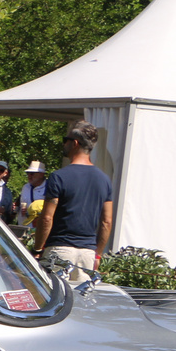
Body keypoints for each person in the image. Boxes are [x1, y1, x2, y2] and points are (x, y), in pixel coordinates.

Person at [36, 119, 114, 281]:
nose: (64, 144)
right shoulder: (104, 180)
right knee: (81, 302)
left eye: (66, 140)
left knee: (53, 301)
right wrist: (97, 255)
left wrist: (37, 249)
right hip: (87, 253)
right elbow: (106, 221)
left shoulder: (59, 177)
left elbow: (47, 218)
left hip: (59, 250)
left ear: (75, 143)